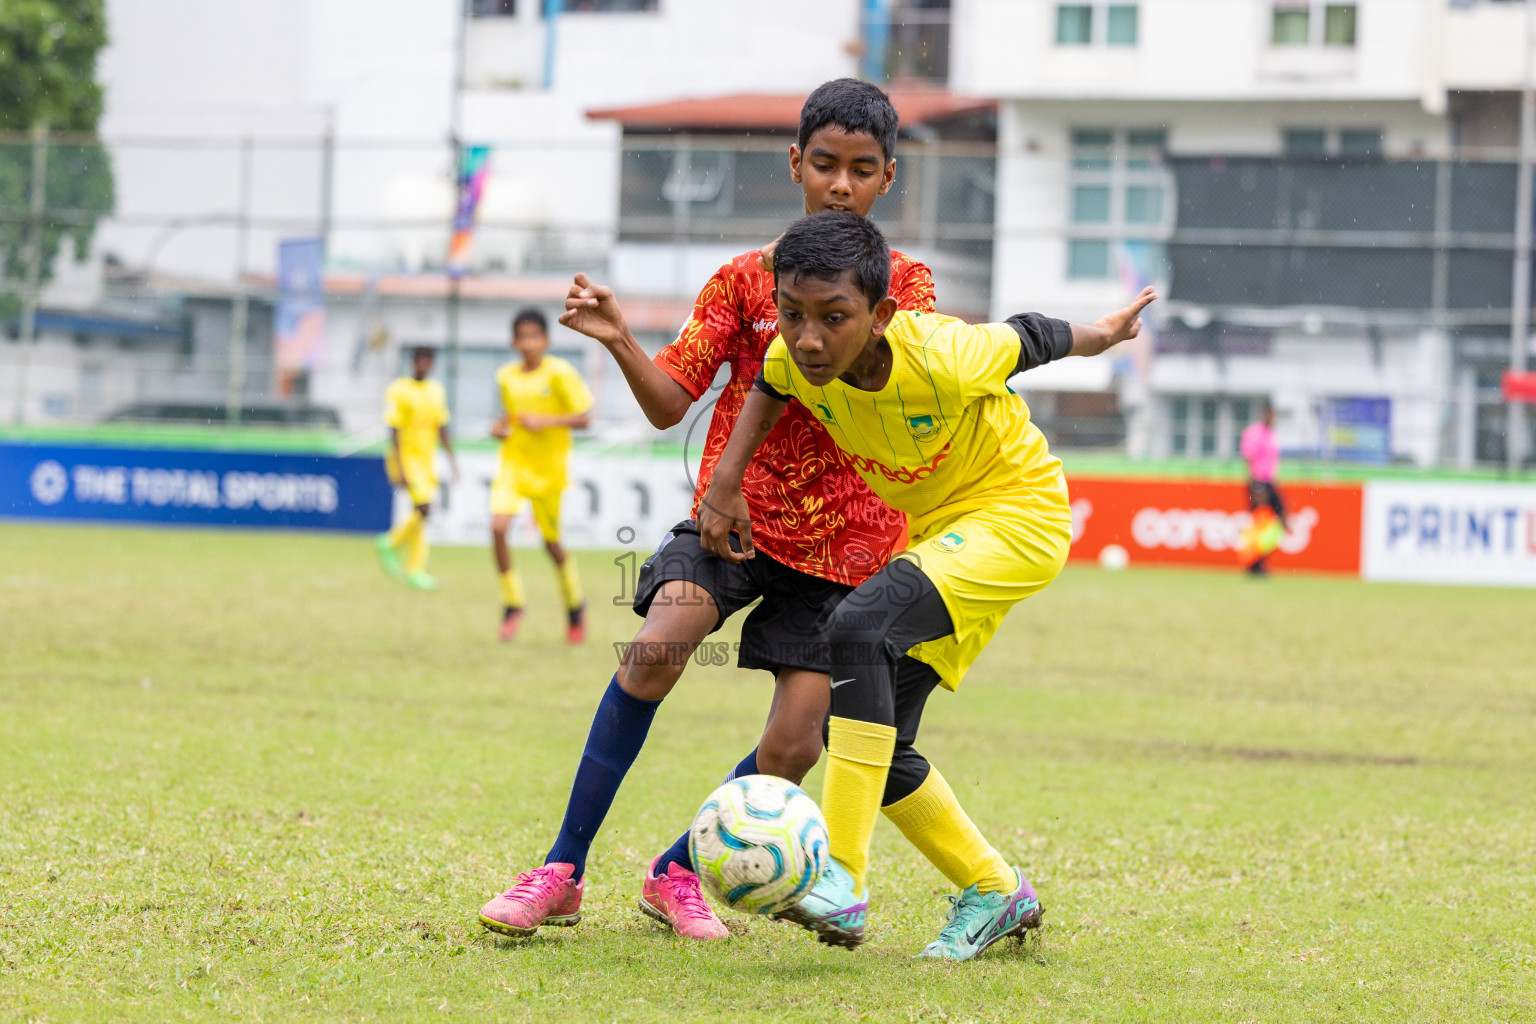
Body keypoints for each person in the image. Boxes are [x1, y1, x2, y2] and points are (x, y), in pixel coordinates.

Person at [477, 79, 1003, 945]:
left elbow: (919, 389)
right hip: (736, 519)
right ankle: (561, 871)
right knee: (655, 648)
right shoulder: (740, 280)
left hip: (849, 550)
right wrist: (618, 340)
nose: (840, 184)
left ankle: (677, 871)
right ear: (795, 163)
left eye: (861, 170)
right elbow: (670, 400)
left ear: (887, 179)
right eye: (825, 164)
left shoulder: (907, 287)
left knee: (796, 744)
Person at [698, 211, 1156, 960]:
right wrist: (726, 477)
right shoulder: (795, 356)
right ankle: (995, 888)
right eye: (792, 315)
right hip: (943, 534)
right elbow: (769, 387)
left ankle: (841, 880)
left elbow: (1031, 336)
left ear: (881, 315)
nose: (809, 338)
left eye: (833, 318)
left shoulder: (944, 352)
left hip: (1018, 517)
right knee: (876, 741)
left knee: (854, 628)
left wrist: (1105, 334)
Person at [489, 309, 595, 642]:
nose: (529, 343)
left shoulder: (560, 373)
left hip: (549, 472)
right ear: (514, 342)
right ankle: (512, 603)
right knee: (497, 527)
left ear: (546, 340)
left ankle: (575, 604)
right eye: (523, 337)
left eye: (535, 336)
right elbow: (511, 417)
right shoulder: (506, 376)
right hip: (513, 466)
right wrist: (499, 428)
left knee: (551, 544)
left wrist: (545, 421)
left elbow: (584, 417)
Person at [375, 346, 457, 591]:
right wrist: (399, 465)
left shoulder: (436, 391)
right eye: (419, 359)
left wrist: (452, 460)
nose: (423, 364)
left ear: (432, 364)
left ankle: (415, 571)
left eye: (428, 360)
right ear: (412, 361)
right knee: (425, 509)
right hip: (407, 459)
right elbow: (394, 429)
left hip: (427, 461)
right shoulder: (399, 389)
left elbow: (442, 426)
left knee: (421, 517)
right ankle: (390, 542)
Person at [1239, 403, 1286, 576]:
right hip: (1257, 482)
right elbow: (1248, 458)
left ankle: (1259, 560)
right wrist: (1254, 486)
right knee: (1260, 522)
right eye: (1271, 415)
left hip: (1270, 482)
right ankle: (1254, 563)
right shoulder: (1254, 432)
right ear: (1265, 414)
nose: (1273, 419)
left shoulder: (1272, 434)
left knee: (1278, 522)